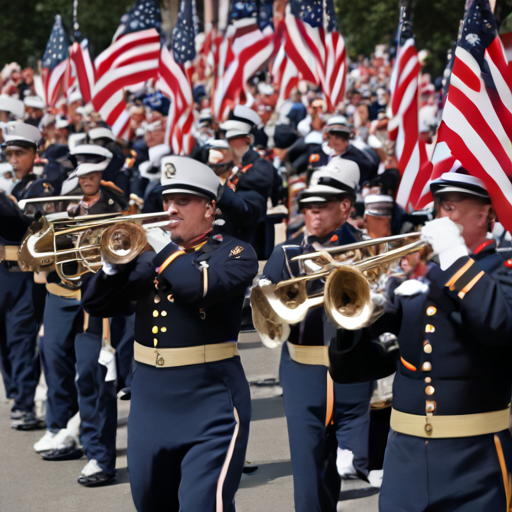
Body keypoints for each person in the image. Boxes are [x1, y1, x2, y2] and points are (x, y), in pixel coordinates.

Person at [82, 156, 258, 511]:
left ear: (210, 208)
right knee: (149, 502)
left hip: (211, 401)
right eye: (167, 201)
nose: (171, 209)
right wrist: (111, 268)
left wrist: (162, 247)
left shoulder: (235, 252)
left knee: (202, 504)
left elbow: (198, 287)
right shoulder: (148, 257)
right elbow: (97, 304)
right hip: (151, 401)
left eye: (184, 202)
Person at [331, 171, 512, 511]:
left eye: (453, 206)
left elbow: (498, 324)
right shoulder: (415, 278)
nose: (443, 216)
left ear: (486, 213)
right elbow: (355, 368)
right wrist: (354, 315)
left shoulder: (502, 269)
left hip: (476, 460)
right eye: (440, 207)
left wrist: (454, 255)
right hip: (405, 460)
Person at [259, 159, 374, 512]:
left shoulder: (369, 248)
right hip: (302, 370)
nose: (313, 215)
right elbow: (271, 312)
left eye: (321, 208)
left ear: (344, 208)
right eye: (308, 208)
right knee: (308, 473)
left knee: (356, 462)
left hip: (351, 368)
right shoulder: (287, 253)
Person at [34, 148, 126, 488]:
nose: (84, 179)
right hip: (61, 293)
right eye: (81, 174)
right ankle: (60, 428)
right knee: (53, 355)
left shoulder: (114, 204)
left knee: (93, 373)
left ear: (100, 174)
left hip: (94, 299)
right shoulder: (62, 199)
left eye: (90, 174)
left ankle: (99, 456)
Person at [0, 123, 46, 430]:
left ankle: (25, 401)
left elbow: (25, 221)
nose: (14, 160)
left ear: (34, 153)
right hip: (2, 276)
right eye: (9, 153)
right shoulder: (7, 186)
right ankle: (15, 391)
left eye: (21, 153)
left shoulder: (40, 188)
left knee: (21, 339)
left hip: (23, 273)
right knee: (4, 340)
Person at [218, 105, 275, 255]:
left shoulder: (260, 164)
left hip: (248, 239)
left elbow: (260, 182)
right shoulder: (231, 164)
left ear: (247, 140)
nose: (227, 144)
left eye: (231, 139)